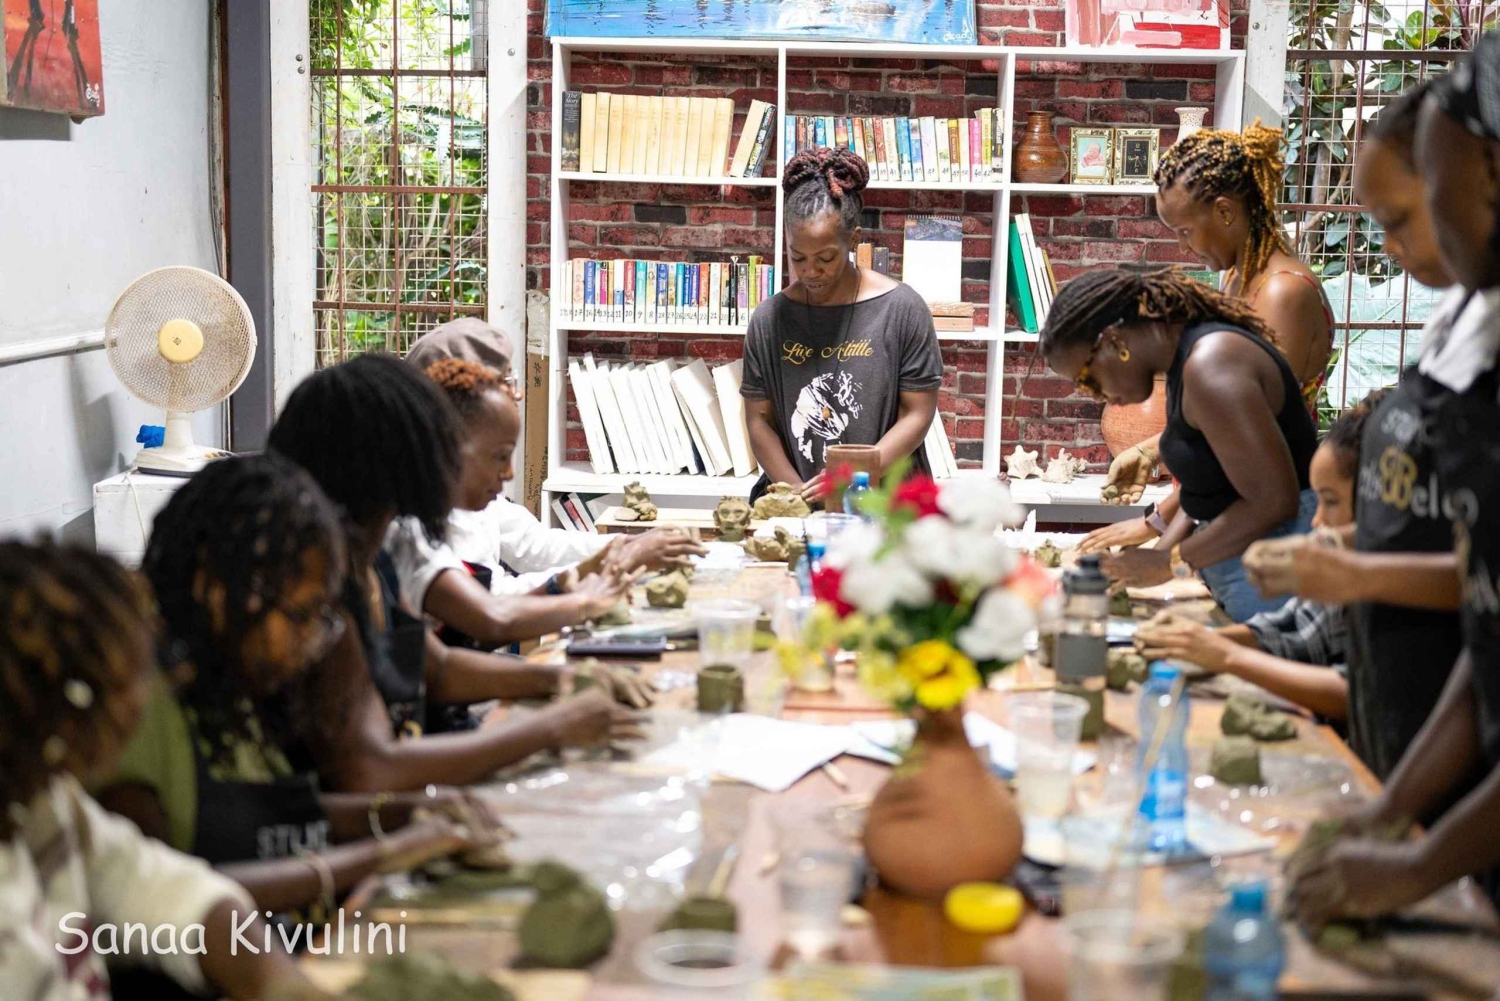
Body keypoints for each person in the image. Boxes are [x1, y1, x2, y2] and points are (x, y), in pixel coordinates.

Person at [95, 454, 496, 923]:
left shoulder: (228, 679)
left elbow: (270, 821)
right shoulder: (136, 711)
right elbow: (160, 897)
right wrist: (383, 854)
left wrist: (407, 813)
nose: (311, 643)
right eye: (301, 615)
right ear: (215, 589)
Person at [1288, 51, 1500, 925]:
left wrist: (1414, 866)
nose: (1417, 236)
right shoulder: (1471, 328)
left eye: (1424, 197)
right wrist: (1390, 813)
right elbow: (1489, 639)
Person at [1245, 81, 1481, 782]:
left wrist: (1354, 569)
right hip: (1401, 724)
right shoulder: (1457, 321)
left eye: (1400, 217)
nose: (1388, 245)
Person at [267, 354, 644, 793]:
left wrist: (562, 678)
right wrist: (550, 728)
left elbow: (439, 669)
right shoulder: (316, 588)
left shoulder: (373, 559)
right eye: (437, 445)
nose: (445, 461)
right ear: (387, 461)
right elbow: (371, 768)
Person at [0, 539, 326, 1001]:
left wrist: (279, 983)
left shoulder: (46, 804)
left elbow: (163, 889)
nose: (143, 697)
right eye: (129, 680)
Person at [1082, 123, 1334, 552]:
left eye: (1184, 231)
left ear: (1225, 212)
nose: (1183, 247)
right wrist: (1149, 454)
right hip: (1226, 509)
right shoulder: (1238, 278)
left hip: (1268, 526)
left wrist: (1157, 525)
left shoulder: (1282, 293)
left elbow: (1241, 439)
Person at [1038, 268, 1319, 622]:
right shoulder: (1184, 361)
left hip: (1275, 580)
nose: (1094, 395)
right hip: (1245, 573)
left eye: (1086, 379)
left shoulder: (1211, 364)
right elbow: (1216, 482)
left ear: (1113, 341)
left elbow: (1273, 500)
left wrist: (1168, 561)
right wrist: (1159, 539)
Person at [392, 318, 704, 610]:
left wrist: (628, 545)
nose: (517, 393)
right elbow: (487, 608)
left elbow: (533, 544)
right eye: (505, 382)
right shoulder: (427, 506)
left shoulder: (470, 479)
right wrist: (611, 564)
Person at [1136, 395, 1387, 721]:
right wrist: (1195, 640)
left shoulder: (1406, 582)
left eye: (1330, 502)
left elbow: (1356, 693)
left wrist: (1226, 655)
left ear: (1377, 499)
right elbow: (1296, 627)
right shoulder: (1344, 567)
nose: (1316, 521)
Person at [741, 147, 943, 504]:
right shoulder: (768, 319)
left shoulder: (902, 309)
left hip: (886, 505)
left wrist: (856, 473)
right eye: (798, 257)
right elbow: (759, 422)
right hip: (796, 501)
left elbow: (918, 413)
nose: (810, 271)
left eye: (825, 258)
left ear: (853, 239)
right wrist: (797, 494)